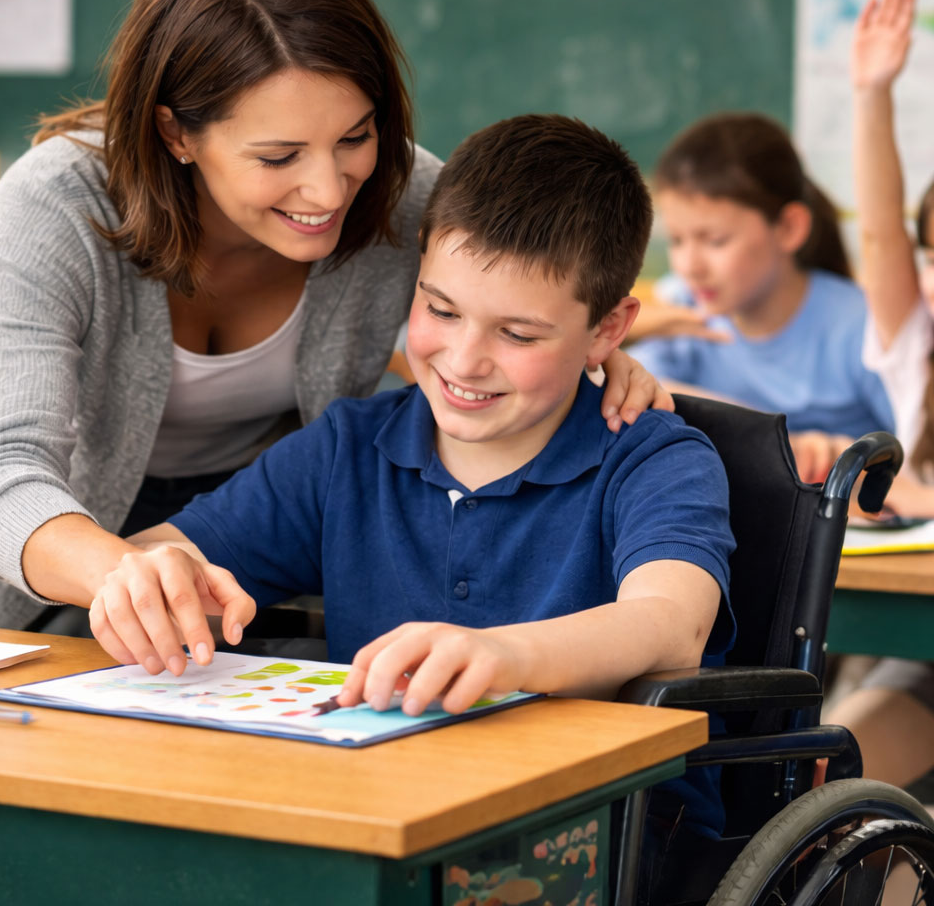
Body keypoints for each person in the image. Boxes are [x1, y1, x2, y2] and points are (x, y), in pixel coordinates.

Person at [0, 0, 663, 633]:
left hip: (249, 549)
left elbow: (518, 292)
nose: (330, 191)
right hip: (42, 551)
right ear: (176, 132)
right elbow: (0, 469)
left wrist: (591, 356)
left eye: (356, 137)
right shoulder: (57, 204)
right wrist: (125, 570)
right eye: (278, 157)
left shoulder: (404, 198)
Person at [57, 114, 735, 853]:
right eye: (440, 309)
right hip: (381, 816)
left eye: (517, 334)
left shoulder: (655, 459)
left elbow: (672, 621)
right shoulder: (347, 449)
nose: (464, 360)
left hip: (606, 835)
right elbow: (167, 552)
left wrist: (507, 658)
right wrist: (149, 575)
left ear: (607, 330)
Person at [627, 112, 895, 477]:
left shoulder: (863, 328)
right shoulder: (683, 306)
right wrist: (775, 439)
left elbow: (919, 456)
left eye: (715, 240)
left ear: (788, 228)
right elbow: (633, 393)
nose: (690, 266)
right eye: (676, 240)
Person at [820, 0, 934, 793]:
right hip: (926, 662)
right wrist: (870, 94)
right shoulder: (917, 350)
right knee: (823, 778)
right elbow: (883, 232)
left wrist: (920, 495)